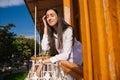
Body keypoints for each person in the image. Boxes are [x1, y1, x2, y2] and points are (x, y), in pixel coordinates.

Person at [33, 7, 82, 80]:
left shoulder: (68, 30)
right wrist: (45, 27)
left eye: (52, 15)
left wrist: (43, 62)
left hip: (81, 62)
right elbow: (44, 47)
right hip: (67, 63)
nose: (49, 18)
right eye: (47, 17)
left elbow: (65, 55)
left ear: (58, 17)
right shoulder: (52, 34)